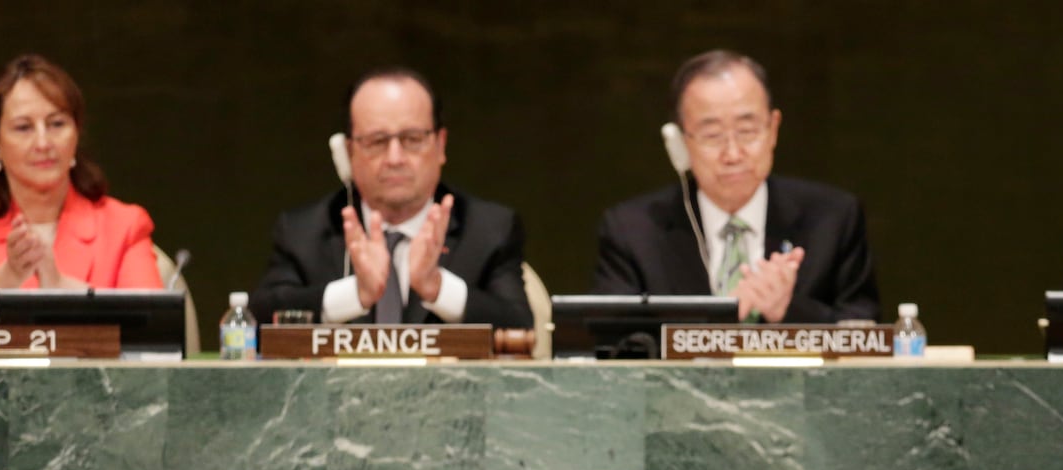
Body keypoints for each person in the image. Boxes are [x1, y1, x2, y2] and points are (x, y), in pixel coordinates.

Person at [591, 50, 880, 324]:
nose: (733, 154)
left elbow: (864, 334)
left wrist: (787, 310)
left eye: (747, 132)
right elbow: (616, 348)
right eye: (712, 135)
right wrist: (719, 320)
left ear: (773, 129)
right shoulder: (633, 231)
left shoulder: (833, 218)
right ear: (680, 144)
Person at [250, 68, 531, 328]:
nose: (395, 159)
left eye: (412, 139)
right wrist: (354, 294)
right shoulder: (304, 232)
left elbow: (521, 326)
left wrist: (437, 287)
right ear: (349, 153)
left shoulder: (489, 230)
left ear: (440, 145)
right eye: (377, 141)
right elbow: (257, 320)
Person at [0, 55, 162, 327]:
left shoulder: (125, 226)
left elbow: (152, 327)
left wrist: (61, 288)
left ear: (77, 130)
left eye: (57, 124)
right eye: (23, 128)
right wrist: (7, 278)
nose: (43, 142)